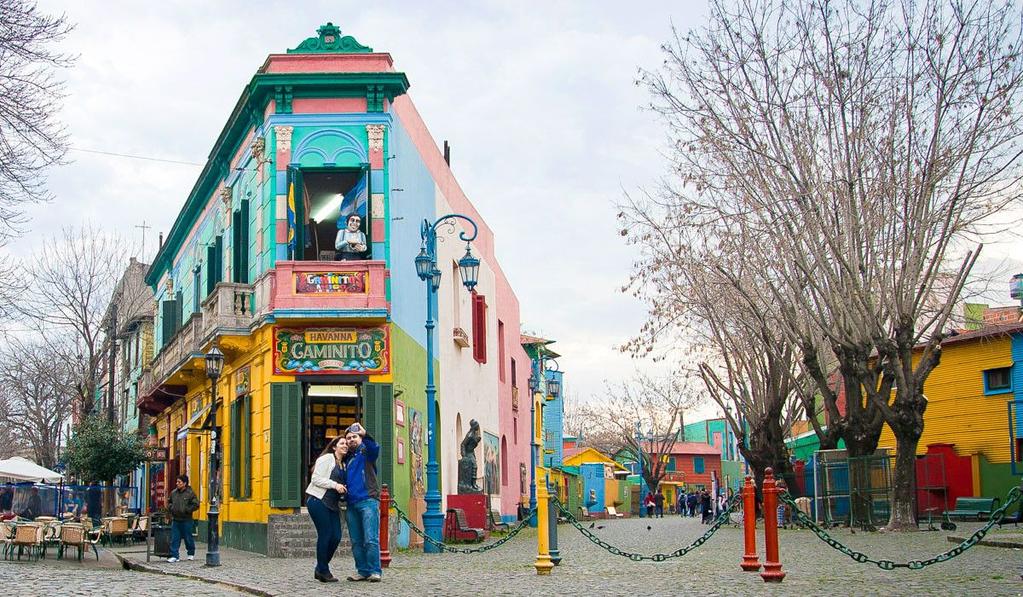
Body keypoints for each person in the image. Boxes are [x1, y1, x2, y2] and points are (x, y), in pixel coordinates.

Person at [341, 422, 382, 582]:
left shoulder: (366, 452)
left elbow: (374, 447)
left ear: (360, 438)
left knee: (370, 538)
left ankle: (375, 571)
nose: (351, 440)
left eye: (354, 437)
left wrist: (366, 434)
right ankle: (362, 570)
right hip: (351, 504)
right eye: (349, 438)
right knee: (356, 541)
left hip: (368, 501)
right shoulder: (346, 459)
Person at [306, 436, 348, 582]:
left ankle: (320, 568)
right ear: (334, 447)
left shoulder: (344, 464)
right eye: (342, 443)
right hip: (318, 501)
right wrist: (335, 485)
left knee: (336, 536)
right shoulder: (327, 459)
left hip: (332, 504)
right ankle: (323, 570)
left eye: (347, 444)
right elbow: (315, 479)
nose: (345, 445)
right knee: (326, 534)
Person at [167, 475, 200, 563]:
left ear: (184, 483)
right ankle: (174, 555)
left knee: (188, 537)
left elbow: (196, 504)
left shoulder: (190, 493)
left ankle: (191, 553)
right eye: (177, 482)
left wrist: (187, 510)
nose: (177, 483)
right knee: (174, 538)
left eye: (179, 482)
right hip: (176, 519)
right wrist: (171, 508)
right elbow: (169, 502)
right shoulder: (173, 493)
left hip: (186, 519)